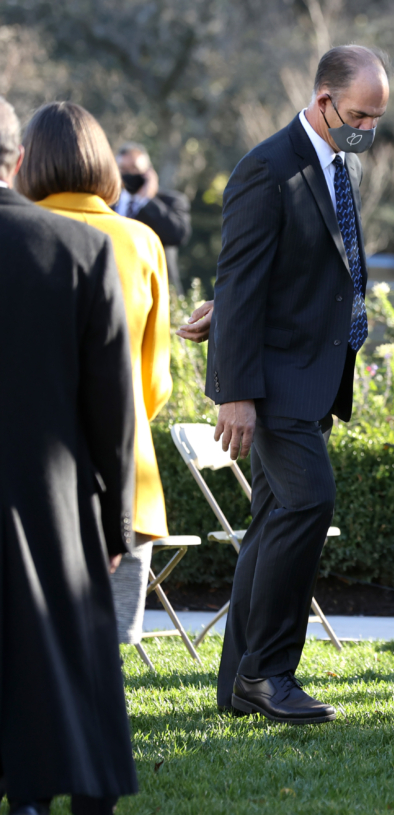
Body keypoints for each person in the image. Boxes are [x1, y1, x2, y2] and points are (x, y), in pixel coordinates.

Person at [206, 44, 389, 724]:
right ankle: (270, 673)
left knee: (271, 522)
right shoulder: (268, 167)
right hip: (273, 383)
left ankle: (239, 683)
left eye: (376, 118)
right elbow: (241, 278)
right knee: (310, 502)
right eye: (360, 114)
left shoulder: (336, 164)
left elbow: (286, 276)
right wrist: (234, 391)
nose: (368, 128)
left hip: (312, 378)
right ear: (323, 102)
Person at [0, 94, 138, 815]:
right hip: (50, 494)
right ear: (17, 161)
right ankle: (52, 788)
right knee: (62, 657)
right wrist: (116, 520)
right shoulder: (83, 248)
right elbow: (111, 405)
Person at [20, 102, 174, 651]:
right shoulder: (141, 241)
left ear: (23, 161)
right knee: (107, 650)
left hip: (26, 471)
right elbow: (156, 382)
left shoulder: (16, 239)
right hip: (126, 476)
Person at [115, 142, 192, 295]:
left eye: (135, 169)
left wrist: (146, 201)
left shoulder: (172, 201)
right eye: (124, 169)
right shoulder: (106, 203)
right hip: (117, 289)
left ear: (148, 172)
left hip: (158, 291)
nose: (129, 173)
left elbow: (177, 235)